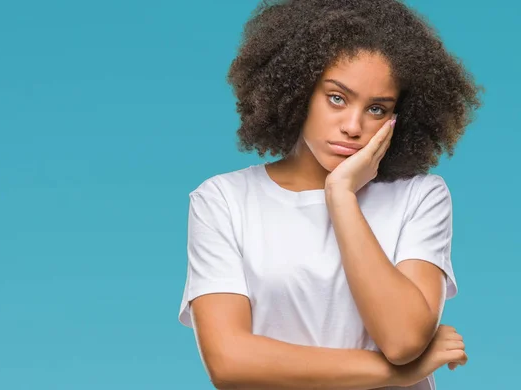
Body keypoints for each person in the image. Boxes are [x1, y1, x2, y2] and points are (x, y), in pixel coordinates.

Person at [177, 0, 482, 389]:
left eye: (376, 108)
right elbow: (229, 362)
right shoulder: (223, 200)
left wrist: (340, 196)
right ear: (298, 89)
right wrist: (396, 373)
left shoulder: (419, 197)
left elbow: (404, 339)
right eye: (337, 98)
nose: (353, 126)